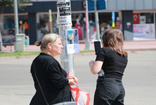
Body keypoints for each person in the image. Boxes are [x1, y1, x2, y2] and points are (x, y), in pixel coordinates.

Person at [30, 33, 78, 105]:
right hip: (55, 101)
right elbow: (58, 81)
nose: (61, 47)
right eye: (59, 44)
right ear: (49, 46)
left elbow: (50, 79)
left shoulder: (37, 60)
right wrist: (69, 80)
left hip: (43, 99)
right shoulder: (50, 62)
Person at [89, 28, 128, 105]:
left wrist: (91, 64)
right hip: (120, 87)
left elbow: (95, 70)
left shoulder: (104, 51)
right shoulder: (124, 54)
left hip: (107, 86)